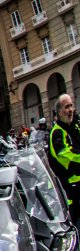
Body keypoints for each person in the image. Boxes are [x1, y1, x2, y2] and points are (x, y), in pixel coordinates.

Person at [49, 94, 80, 223]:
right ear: (59, 112)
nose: (70, 110)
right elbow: (66, 156)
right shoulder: (58, 132)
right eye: (67, 107)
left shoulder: (74, 127)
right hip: (71, 189)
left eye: (71, 106)